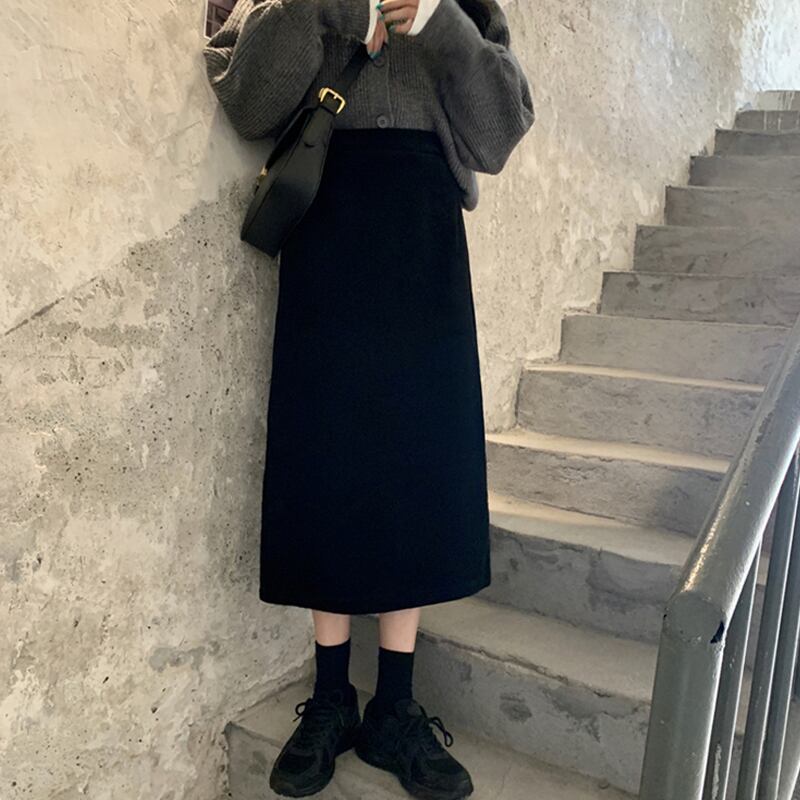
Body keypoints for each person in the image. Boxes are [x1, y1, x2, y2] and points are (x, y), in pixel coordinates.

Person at [202, 1, 534, 796]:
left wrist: (438, 20)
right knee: (325, 457)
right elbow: (248, 100)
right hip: (328, 219)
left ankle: (394, 706)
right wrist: (329, 7)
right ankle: (329, 698)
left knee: (415, 464)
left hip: (422, 234)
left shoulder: (466, 7)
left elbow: (499, 130)